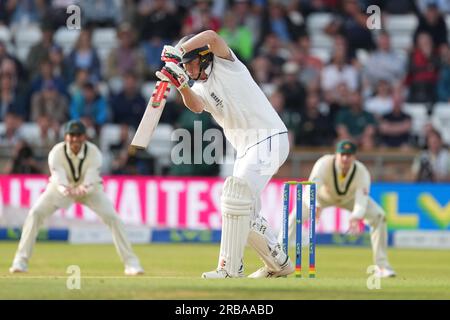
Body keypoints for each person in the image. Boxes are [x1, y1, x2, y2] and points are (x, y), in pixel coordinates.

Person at [156, 30, 292, 278]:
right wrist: (182, 85)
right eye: (184, 66)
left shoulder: (227, 64)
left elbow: (212, 35)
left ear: (204, 57)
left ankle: (230, 269)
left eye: (190, 63)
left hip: (269, 139)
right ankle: (279, 263)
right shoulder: (199, 87)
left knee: (235, 199)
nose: (187, 68)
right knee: (242, 211)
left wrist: (180, 50)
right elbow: (196, 106)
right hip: (246, 149)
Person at [9, 120, 144, 275]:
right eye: (71, 135)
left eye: (78, 135)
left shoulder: (94, 153)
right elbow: (59, 178)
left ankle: (131, 264)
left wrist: (84, 188)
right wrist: (64, 188)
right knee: (35, 213)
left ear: (84, 137)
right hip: (59, 190)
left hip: (90, 191)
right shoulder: (56, 153)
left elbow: (91, 177)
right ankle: (20, 261)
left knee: (114, 218)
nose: (74, 139)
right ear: (65, 137)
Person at [282, 140, 396, 278]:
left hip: (349, 199)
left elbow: (361, 199)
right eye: (342, 154)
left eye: (349, 155)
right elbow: (310, 189)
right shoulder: (324, 163)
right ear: (336, 154)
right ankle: (278, 261)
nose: (345, 158)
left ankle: (382, 266)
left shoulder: (361, 171)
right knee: (295, 216)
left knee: (379, 216)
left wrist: (356, 216)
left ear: (354, 157)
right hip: (322, 197)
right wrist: (316, 205)